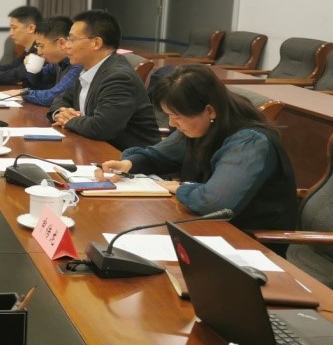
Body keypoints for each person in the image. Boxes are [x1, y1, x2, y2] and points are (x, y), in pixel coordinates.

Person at [100, 64, 298, 232]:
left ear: (209, 111)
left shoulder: (250, 142)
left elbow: (214, 202)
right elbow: (160, 155)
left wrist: (181, 188)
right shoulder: (205, 125)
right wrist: (129, 164)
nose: (172, 124)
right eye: (169, 115)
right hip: (206, 227)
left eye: (177, 116)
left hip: (249, 240)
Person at [49, 9, 161, 150]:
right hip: (93, 148)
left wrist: (70, 120)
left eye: (72, 39)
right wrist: (59, 113)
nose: (66, 45)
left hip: (126, 156)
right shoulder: (89, 70)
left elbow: (101, 127)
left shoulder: (119, 78)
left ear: (96, 43)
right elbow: (60, 99)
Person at [22, 15, 83, 108]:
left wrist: (22, 93)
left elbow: (51, 97)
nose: (39, 52)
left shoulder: (78, 64)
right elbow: (37, 83)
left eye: (41, 46)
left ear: (61, 43)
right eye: (37, 46)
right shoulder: (58, 62)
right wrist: (31, 67)